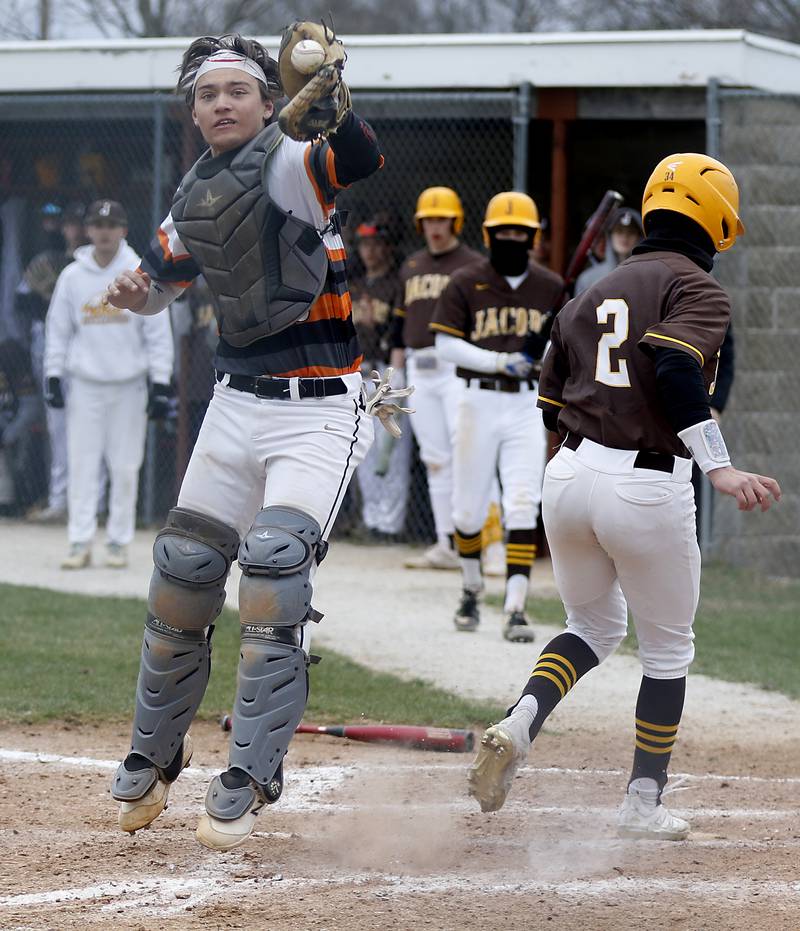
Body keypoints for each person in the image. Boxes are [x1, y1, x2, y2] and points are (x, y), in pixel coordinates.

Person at [104, 30, 395, 852]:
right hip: (236, 403)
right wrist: (138, 294)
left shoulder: (290, 165)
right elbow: (162, 282)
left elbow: (358, 157)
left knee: (272, 570)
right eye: (207, 94)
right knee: (184, 572)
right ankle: (155, 752)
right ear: (191, 113)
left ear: (270, 103)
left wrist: (334, 96)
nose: (221, 104)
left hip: (320, 408)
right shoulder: (195, 192)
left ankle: (252, 769)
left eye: (238, 91)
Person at [467, 153, 781, 838]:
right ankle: (642, 802)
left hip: (571, 475)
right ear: (718, 221)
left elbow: (550, 405)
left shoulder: (590, 290)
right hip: (646, 482)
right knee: (667, 651)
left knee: (592, 627)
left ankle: (522, 721)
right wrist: (719, 467)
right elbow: (674, 365)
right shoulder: (699, 287)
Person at [431, 192, 563, 641]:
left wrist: (543, 358)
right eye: (504, 233)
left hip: (526, 403)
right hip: (476, 398)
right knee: (468, 511)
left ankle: (516, 606)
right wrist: (497, 361)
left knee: (524, 502)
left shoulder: (551, 286)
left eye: (519, 233)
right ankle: (471, 588)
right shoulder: (466, 281)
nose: (511, 238)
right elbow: (445, 346)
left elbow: (563, 346)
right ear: (488, 236)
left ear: (532, 238)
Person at [43, 199, 174, 569]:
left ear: (124, 230)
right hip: (85, 384)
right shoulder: (72, 276)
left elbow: (157, 332)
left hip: (128, 384)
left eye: (111, 225)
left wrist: (160, 382)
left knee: (125, 465)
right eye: (97, 225)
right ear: (88, 230)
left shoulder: (138, 273)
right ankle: (79, 540)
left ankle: (118, 541)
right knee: (82, 464)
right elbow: (58, 330)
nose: (104, 232)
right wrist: (53, 375)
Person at [390, 187, 482, 569]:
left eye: (441, 218)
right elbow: (397, 326)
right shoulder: (411, 266)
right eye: (428, 219)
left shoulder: (473, 264)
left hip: (456, 366)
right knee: (434, 458)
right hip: (418, 367)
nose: (434, 226)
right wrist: (393, 377)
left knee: (468, 451)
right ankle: (447, 542)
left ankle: (480, 543)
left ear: (455, 221)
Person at [19, 202, 87, 524]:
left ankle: (88, 502)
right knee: (57, 426)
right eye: (68, 223)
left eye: (78, 223)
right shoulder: (46, 259)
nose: (72, 230)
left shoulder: (94, 264)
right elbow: (25, 302)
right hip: (51, 345)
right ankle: (60, 499)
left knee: (90, 427)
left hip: (90, 348)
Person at [350, 220, 411, 539]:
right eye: (364, 245)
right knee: (363, 449)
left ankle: (391, 524)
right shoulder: (355, 285)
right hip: (358, 374)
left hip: (386, 371)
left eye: (376, 244)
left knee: (391, 449)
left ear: (388, 247)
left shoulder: (396, 284)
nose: (369, 251)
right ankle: (372, 520)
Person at [574, 206, 644, 295]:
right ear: (610, 236)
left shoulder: (647, 276)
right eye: (619, 231)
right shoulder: (588, 278)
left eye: (631, 232)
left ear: (639, 237)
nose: (624, 237)